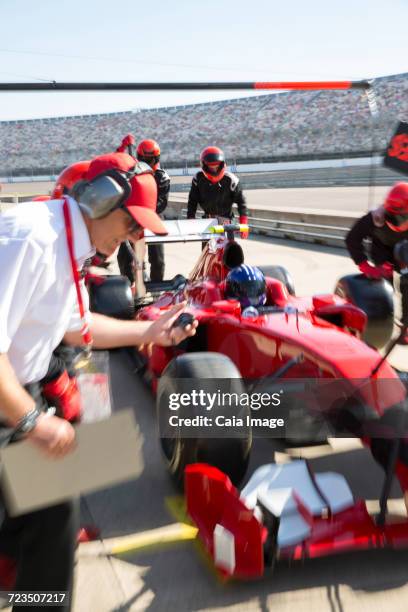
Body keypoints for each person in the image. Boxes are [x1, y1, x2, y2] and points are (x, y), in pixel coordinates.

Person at [0, 151, 197, 609]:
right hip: (12, 405)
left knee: (55, 510)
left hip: (16, 397)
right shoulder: (29, 238)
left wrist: (149, 330)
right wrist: (32, 421)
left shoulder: (70, 247)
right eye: (132, 225)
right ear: (102, 200)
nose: (136, 236)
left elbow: (76, 328)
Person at [346, 181, 408, 342]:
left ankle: (406, 328)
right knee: (383, 291)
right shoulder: (374, 218)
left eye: (403, 217)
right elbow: (352, 239)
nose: (399, 221)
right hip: (382, 254)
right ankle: (383, 325)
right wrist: (364, 265)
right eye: (394, 217)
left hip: (405, 252)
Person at [187, 146, 249, 239]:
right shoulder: (198, 179)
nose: (214, 170)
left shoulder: (232, 180)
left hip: (226, 222)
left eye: (216, 167)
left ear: (222, 164)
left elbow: (242, 203)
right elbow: (192, 201)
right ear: (204, 165)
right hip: (207, 222)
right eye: (211, 167)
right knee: (208, 252)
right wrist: (191, 219)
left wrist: (243, 222)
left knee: (229, 250)